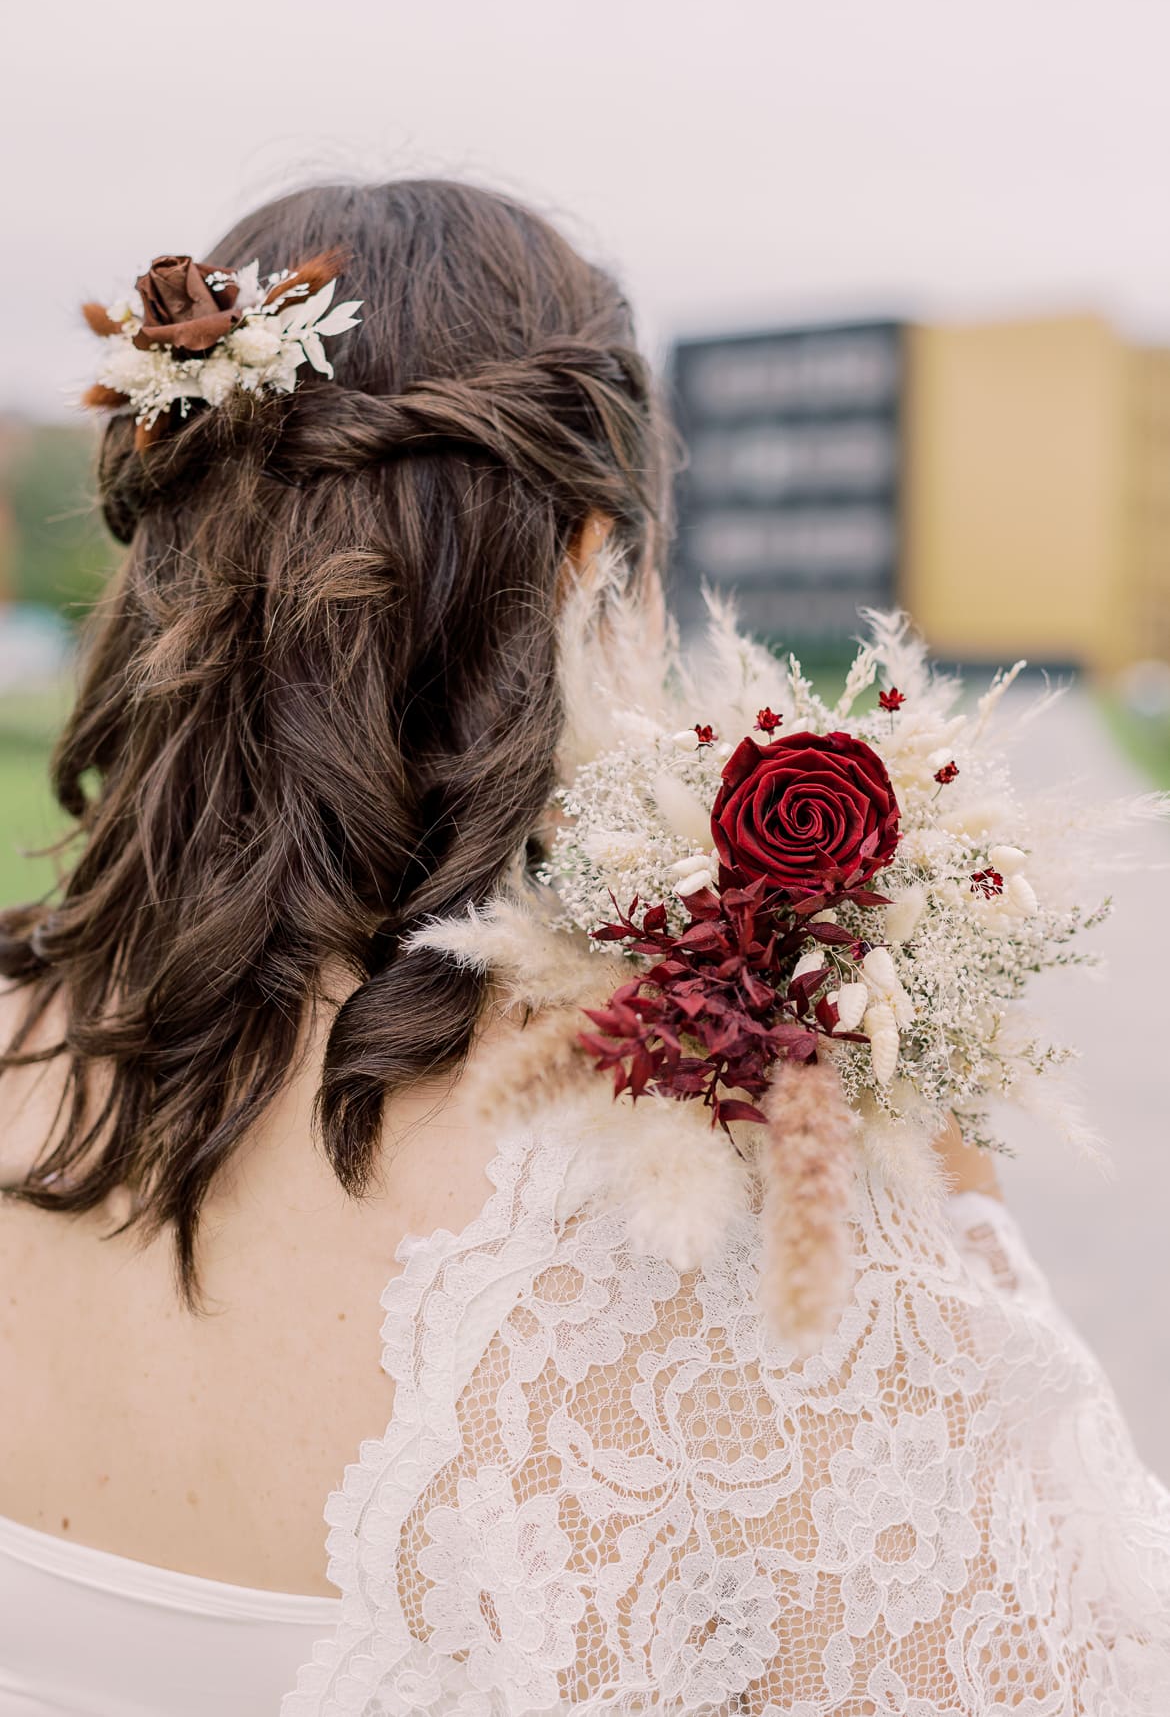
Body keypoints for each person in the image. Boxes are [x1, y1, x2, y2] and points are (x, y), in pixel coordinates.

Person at [0, 178, 1167, 1716]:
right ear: (588, 552)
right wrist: (958, 1213)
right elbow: (1076, 1651)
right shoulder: (693, 1163)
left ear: (169, 528)